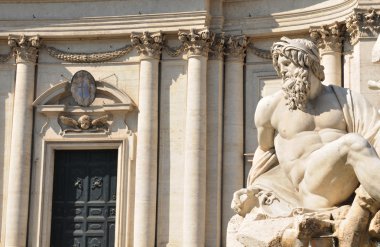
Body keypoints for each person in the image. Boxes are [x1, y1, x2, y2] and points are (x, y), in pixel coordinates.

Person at [232, 37, 380, 218]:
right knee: (353, 144)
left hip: (344, 183)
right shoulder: (270, 106)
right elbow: (265, 151)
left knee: (355, 144)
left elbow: (375, 133)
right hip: (310, 190)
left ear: (306, 62)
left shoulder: (345, 98)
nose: (282, 71)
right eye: (280, 66)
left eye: (287, 64)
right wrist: (252, 189)